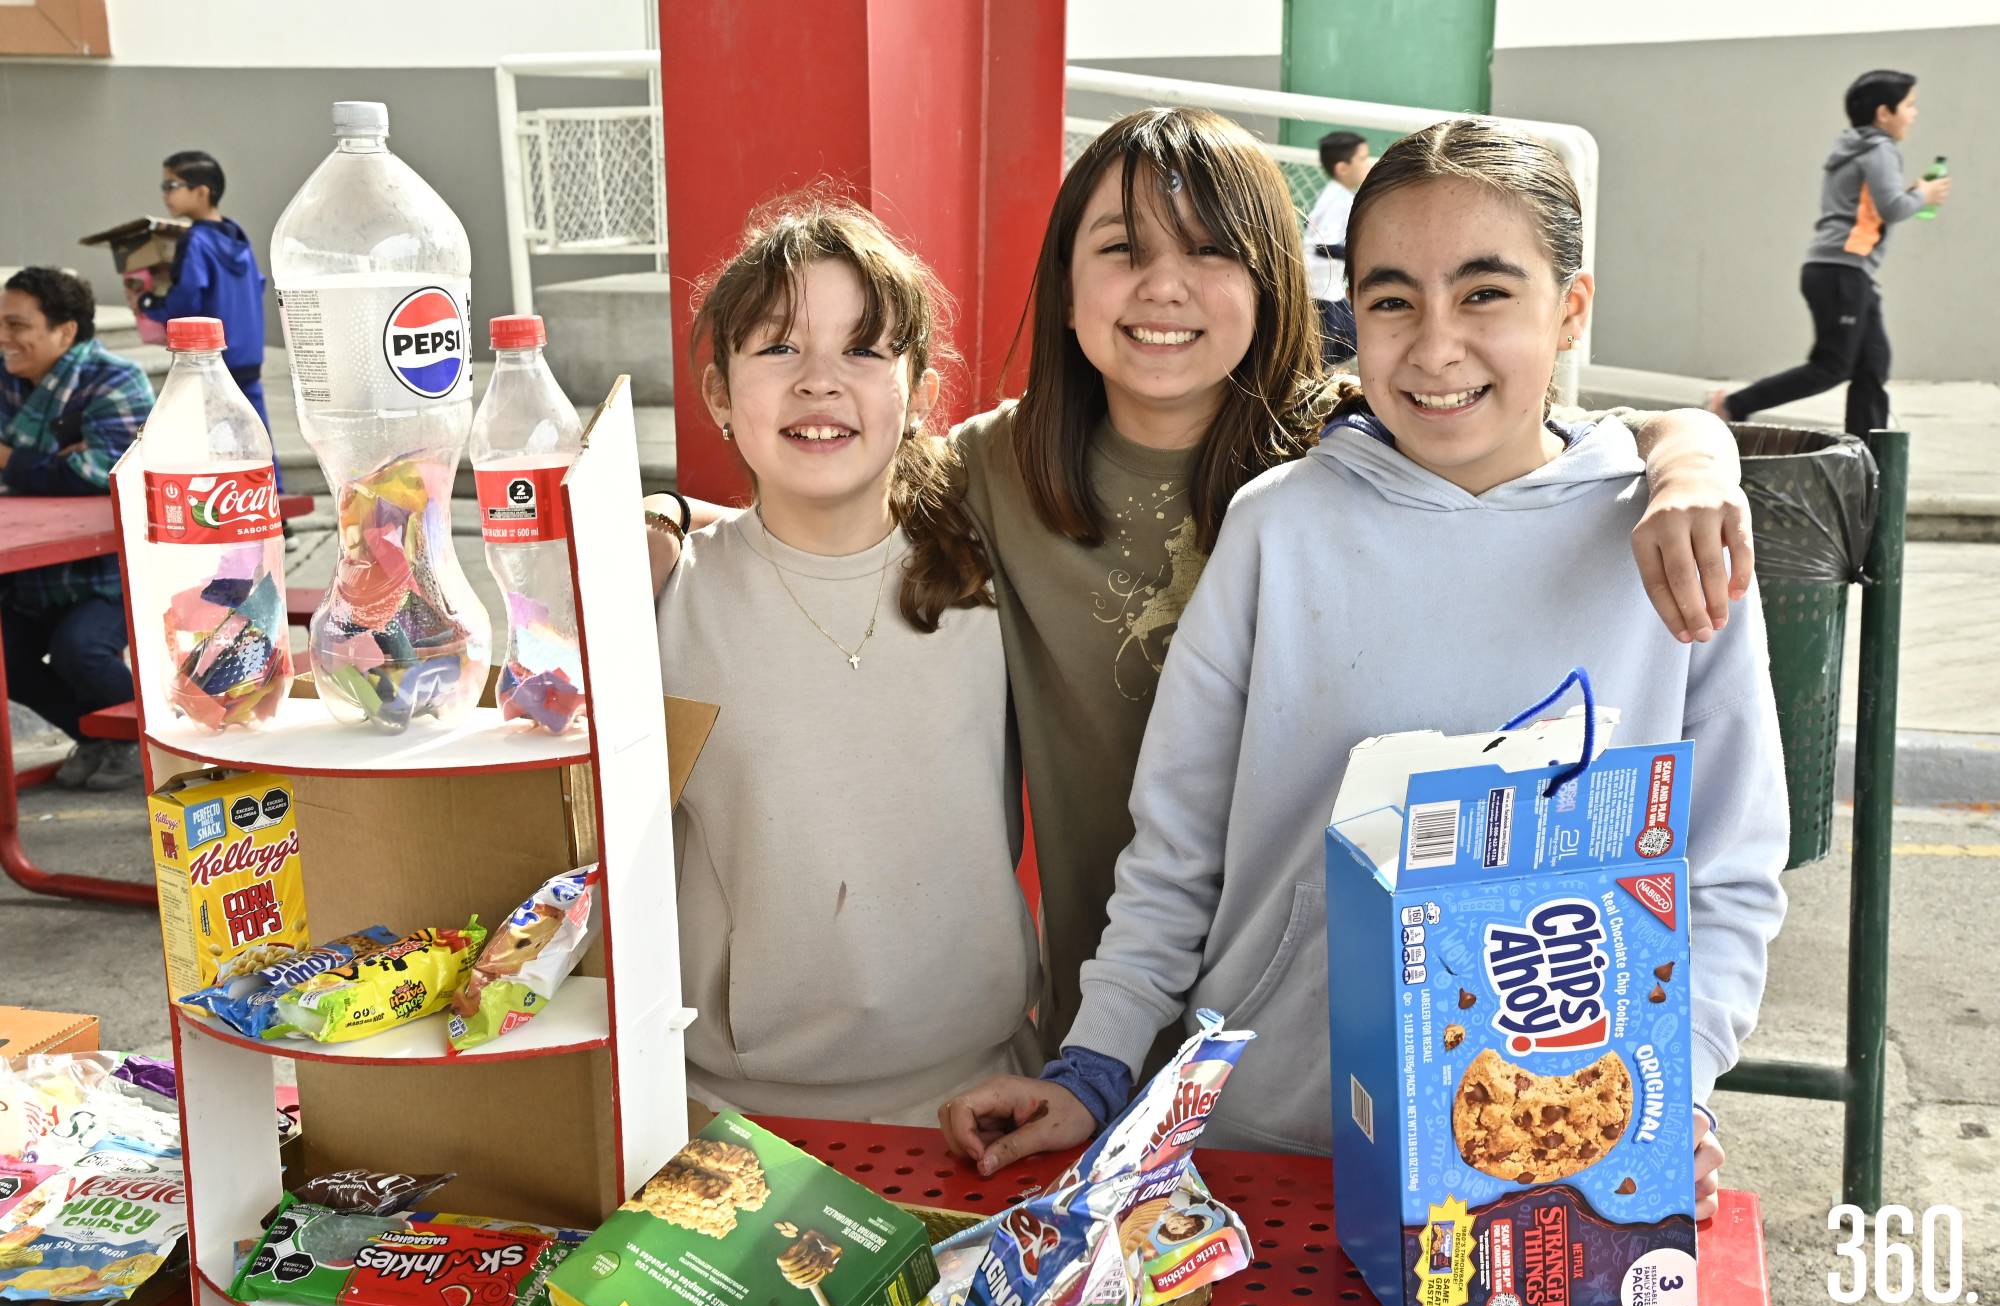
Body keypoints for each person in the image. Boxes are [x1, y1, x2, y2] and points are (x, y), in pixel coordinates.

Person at [653, 109, 1752, 1075]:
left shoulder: (1350, 441)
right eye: (1121, 249)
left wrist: (1691, 451)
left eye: (1211, 253)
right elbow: (830, 481)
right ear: (1067, 290)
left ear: (1272, 279)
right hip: (1104, 1022)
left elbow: (1536, 442)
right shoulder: (990, 472)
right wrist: (664, 529)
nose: (1163, 286)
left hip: (1343, 1038)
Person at [941, 120, 1789, 1226]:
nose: (1434, 346)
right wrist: (1094, 1064)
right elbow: (1176, 854)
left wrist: (1679, 1087)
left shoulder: (1670, 540)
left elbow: (1720, 876)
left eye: (1484, 294)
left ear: (1569, 307)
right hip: (1259, 1143)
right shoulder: (1276, 524)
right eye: (1392, 301)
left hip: (1552, 1164)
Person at [652, 195, 1039, 1125]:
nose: (819, 381)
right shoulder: (665, 596)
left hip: (980, 1098)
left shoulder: (995, 578)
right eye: (780, 347)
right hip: (731, 1118)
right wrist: (660, 517)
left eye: (863, 349)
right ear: (718, 393)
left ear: (920, 390)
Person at [1708, 70, 1951, 438]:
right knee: (1833, 366)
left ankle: (1867, 461)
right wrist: (1925, 196)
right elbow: (1893, 209)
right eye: (1909, 106)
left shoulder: (1853, 147)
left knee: (1872, 366)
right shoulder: (1881, 149)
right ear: (1884, 113)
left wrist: (1912, 193)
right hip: (1842, 270)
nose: (1914, 114)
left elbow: (1870, 206)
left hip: (1844, 271)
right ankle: (1732, 405)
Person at [0, 268, 154, 790]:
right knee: (7, 659)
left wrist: (11, 461)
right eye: (0, 323)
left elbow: (107, 473)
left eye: (17, 325)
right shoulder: (6, 380)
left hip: (107, 566)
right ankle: (98, 738)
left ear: (65, 331)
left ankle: (142, 740)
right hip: (26, 566)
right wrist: (51, 461)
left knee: (79, 649)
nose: (3, 338)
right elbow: (68, 470)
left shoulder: (115, 379)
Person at [139, 151, 272, 434]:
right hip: (248, 356)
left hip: (212, 359)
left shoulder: (195, 240)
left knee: (214, 444)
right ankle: (274, 482)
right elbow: (257, 285)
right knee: (255, 438)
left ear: (201, 192)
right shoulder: (237, 237)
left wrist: (149, 302)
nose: (165, 194)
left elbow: (186, 301)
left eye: (171, 186)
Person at [1303, 130, 1371, 364]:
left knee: (1354, 340)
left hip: (1329, 289)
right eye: (1362, 159)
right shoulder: (1338, 199)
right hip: (1319, 292)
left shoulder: (1339, 195)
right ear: (1342, 168)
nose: (1367, 164)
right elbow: (1323, 245)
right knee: (1322, 353)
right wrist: (1359, 257)